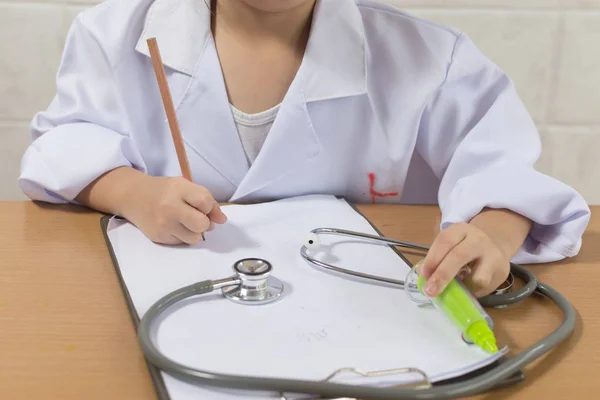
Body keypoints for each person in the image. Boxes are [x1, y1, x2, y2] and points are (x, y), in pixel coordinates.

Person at [18, 0, 590, 299]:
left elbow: (504, 172)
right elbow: (65, 143)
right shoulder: (113, 33)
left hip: (365, 315)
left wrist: (489, 235)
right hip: (178, 299)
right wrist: (134, 192)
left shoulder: (430, 59)